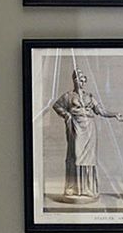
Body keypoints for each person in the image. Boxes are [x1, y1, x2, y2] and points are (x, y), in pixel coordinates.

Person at [49, 69, 116, 198]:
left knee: (89, 159)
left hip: (90, 128)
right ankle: (74, 188)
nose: (81, 82)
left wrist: (114, 115)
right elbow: (57, 106)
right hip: (76, 127)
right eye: (79, 79)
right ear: (74, 80)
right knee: (76, 156)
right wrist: (67, 115)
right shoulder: (68, 96)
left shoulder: (89, 97)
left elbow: (101, 111)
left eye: (83, 79)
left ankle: (88, 188)